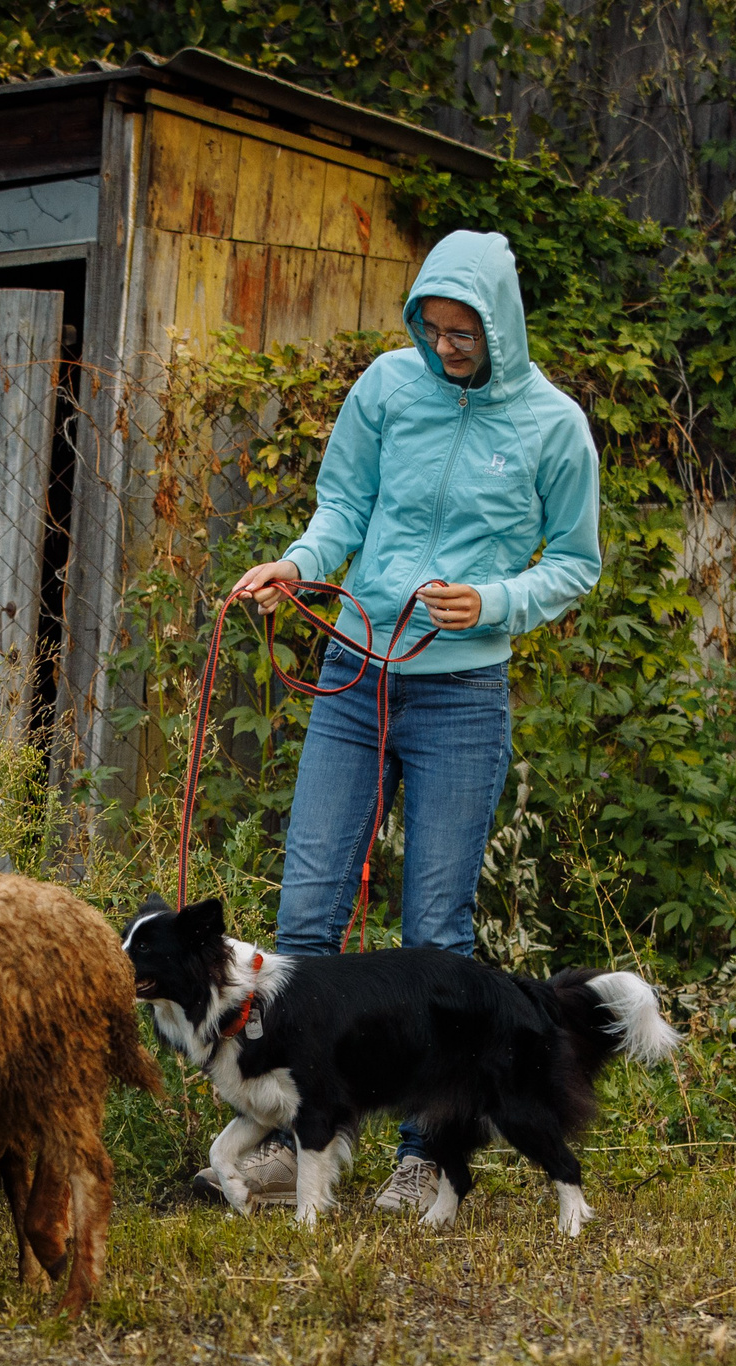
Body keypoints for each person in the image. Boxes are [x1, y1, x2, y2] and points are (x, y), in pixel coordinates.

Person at [197, 229, 603, 1215]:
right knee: (305, 922)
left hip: (461, 697)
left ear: (499, 322)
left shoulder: (553, 427)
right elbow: (343, 507)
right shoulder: (384, 388)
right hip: (354, 674)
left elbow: (575, 564)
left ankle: (426, 1151)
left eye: (463, 330)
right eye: (432, 324)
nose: (445, 344)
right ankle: (302, 1140)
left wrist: (497, 601)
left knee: (436, 933)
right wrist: (298, 562)